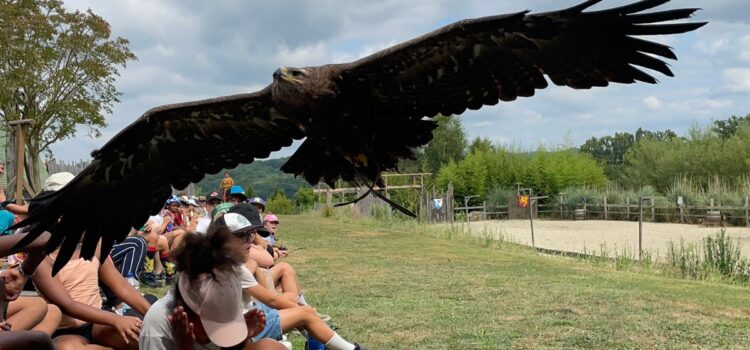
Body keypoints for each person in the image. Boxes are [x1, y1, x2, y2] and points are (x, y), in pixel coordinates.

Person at [219, 211, 364, 349]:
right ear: (224, 240)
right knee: (305, 313)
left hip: (239, 324)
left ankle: (320, 338)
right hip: (245, 330)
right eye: (243, 237)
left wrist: (255, 266)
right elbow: (271, 300)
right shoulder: (233, 267)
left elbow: (266, 296)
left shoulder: (220, 262)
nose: (249, 242)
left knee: (297, 305)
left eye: (250, 236)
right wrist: (303, 310)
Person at [139, 217, 286, 350]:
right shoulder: (157, 328)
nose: (217, 335)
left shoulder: (224, 292)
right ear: (188, 312)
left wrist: (242, 337)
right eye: (214, 324)